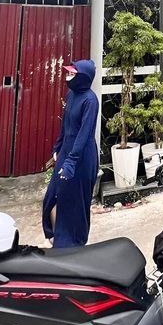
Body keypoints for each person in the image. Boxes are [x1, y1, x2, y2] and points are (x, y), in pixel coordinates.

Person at [42, 59, 99, 248]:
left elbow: (84, 134)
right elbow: (65, 125)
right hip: (66, 153)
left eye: (73, 74)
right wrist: (58, 148)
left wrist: (71, 162)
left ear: (83, 77)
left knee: (75, 203)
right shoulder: (71, 94)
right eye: (69, 73)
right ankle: (57, 239)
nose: (68, 76)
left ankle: (73, 245)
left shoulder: (90, 100)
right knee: (53, 197)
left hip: (81, 158)